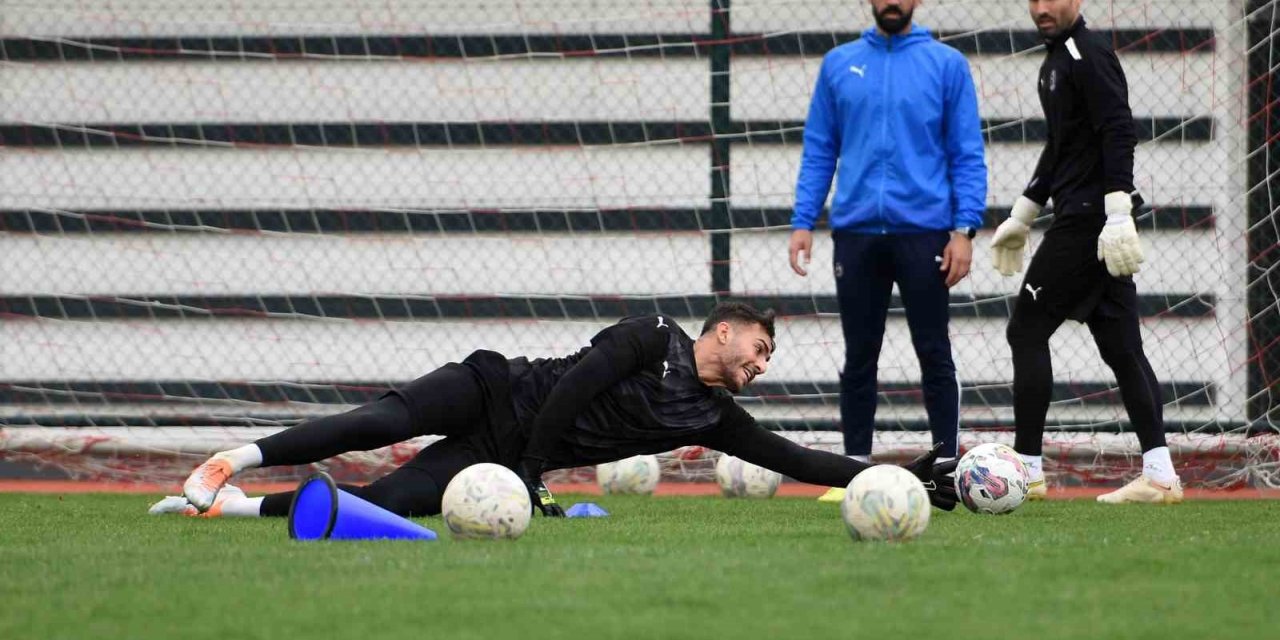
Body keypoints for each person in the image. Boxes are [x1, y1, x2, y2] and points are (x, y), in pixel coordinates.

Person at [151, 302, 959, 518]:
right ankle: (241, 456)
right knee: (376, 422)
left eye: (768, 362)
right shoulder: (653, 335)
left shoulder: (712, 418)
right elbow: (575, 387)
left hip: (499, 459)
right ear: (725, 329)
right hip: (493, 388)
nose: (760, 364)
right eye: (759, 347)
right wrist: (535, 471)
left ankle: (231, 506)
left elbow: (800, 461)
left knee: (382, 503)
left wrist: (914, 475)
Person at [787, 0, 988, 501]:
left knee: (934, 352)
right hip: (855, 234)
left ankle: (946, 471)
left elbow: (967, 153)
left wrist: (964, 229)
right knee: (860, 357)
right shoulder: (838, 63)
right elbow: (819, 148)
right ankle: (853, 471)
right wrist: (803, 221)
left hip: (926, 232)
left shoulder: (947, 65)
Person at [987, 0, 1181, 503]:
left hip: (1088, 223)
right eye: (1033, 0)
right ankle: (1160, 475)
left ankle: (1026, 469)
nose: (1041, 8)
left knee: (1025, 330)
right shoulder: (1055, 61)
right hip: (1082, 218)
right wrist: (1022, 215)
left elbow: (1119, 129)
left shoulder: (1088, 54)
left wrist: (1118, 212)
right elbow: (1059, 147)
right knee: (1121, 348)